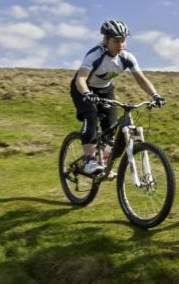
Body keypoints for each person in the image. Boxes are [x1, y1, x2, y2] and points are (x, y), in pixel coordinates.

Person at [70, 20, 164, 177]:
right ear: (106, 40)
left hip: (105, 90)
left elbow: (141, 79)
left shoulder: (127, 57)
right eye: (116, 41)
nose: (120, 44)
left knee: (111, 128)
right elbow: (80, 78)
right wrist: (87, 94)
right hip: (83, 89)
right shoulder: (95, 55)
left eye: (123, 40)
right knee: (91, 118)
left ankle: (103, 165)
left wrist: (155, 95)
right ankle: (89, 160)